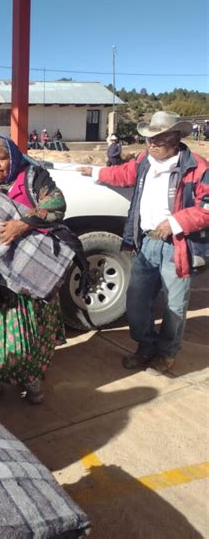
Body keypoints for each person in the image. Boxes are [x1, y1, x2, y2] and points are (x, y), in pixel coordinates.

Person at [77, 111, 209, 374]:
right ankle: (146, 347)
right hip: (146, 244)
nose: (151, 144)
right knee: (136, 300)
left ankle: (166, 353)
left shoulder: (198, 167)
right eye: (149, 139)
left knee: (174, 305)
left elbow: (206, 207)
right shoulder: (144, 161)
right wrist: (95, 172)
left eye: (157, 139)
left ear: (174, 138)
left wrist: (174, 222)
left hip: (177, 246)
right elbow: (123, 174)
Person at [0, 136, 67, 410]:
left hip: (30, 273)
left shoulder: (34, 178)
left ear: (14, 157)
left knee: (32, 330)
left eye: (2, 157)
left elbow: (57, 205)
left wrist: (23, 223)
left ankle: (31, 378)